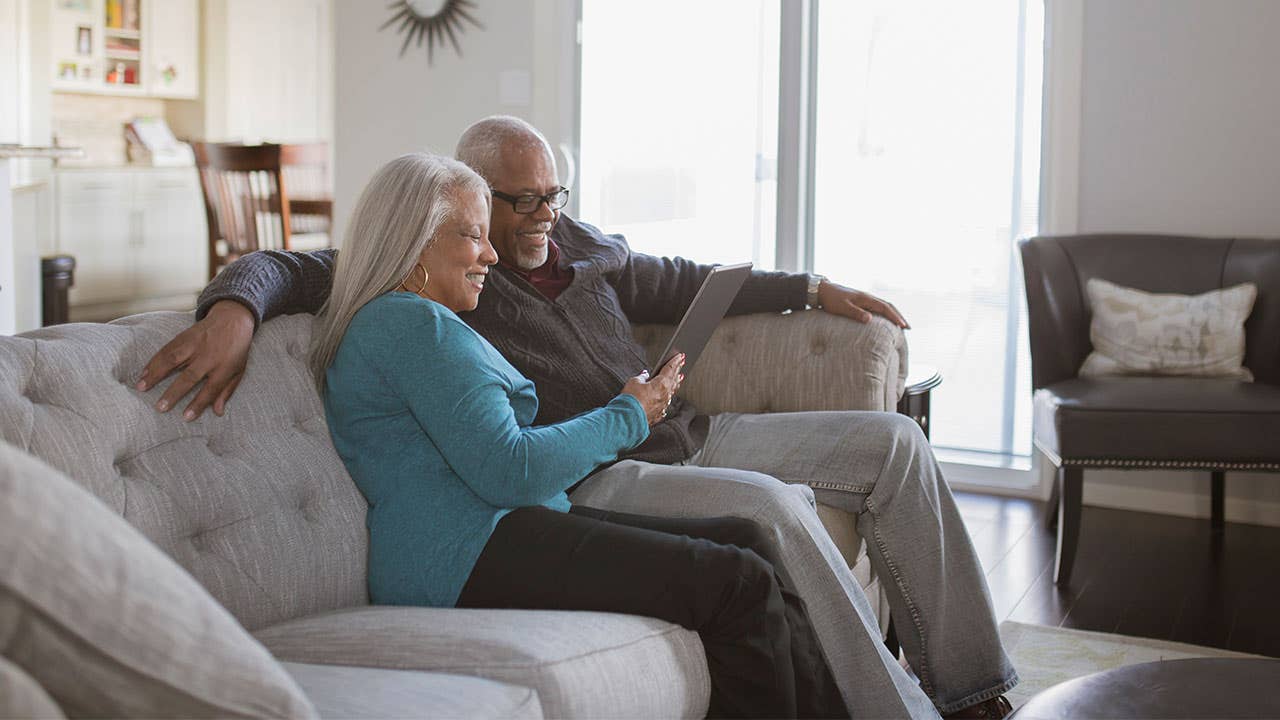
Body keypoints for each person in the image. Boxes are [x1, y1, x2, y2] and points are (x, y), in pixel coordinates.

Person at [137, 117, 1016, 718]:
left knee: (894, 442)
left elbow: (679, 276)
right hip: (598, 466)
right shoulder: (428, 282)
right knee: (767, 523)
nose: (539, 220)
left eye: (551, 196)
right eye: (515, 204)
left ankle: (976, 688)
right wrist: (232, 308)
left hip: (687, 432)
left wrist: (814, 288)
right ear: (463, 203)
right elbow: (292, 268)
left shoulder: (568, 244)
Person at [315, 151, 847, 719]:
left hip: (500, 531)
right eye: (473, 236)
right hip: (463, 556)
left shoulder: (417, 320)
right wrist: (630, 414)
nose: (491, 255)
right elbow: (512, 471)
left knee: (749, 538)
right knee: (737, 581)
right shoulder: (409, 325)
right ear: (413, 241)